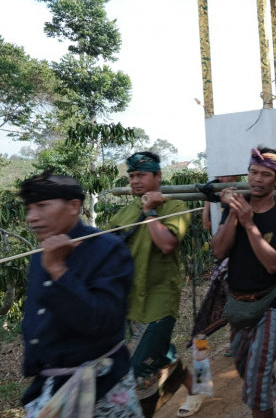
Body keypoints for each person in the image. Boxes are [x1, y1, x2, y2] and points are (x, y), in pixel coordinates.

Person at [19, 171, 142, 417]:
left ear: (74, 206)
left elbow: (101, 321)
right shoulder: (40, 254)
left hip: (103, 388)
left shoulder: (109, 250)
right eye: (30, 208)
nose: (31, 217)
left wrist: (57, 270)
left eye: (42, 206)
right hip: (49, 390)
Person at [109, 151, 199, 417]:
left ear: (158, 176)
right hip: (130, 299)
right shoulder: (124, 213)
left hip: (160, 299)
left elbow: (167, 244)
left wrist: (150, 212)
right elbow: (108, 251)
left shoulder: (175, 207)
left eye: (141, 175)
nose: (135, 181)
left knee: (137, 369)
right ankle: (198, 388)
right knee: (157, 354)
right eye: (132, 176)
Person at [211, 147, 276, 418]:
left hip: (270, 301)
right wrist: (236, 217)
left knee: (258, 375)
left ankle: (271, 404)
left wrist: (249, 224)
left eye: (265, 174)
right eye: (253, 172)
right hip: (238, 302)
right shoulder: (237, 208)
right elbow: (218, 251)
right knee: (244, 366)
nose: (257, 179)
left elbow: (273, 264)